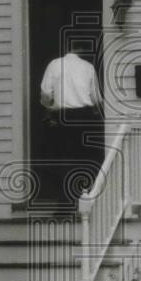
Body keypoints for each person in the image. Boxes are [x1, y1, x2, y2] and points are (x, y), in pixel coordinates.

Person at [39, 46, 102, 203]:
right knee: (84, 158)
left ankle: (65, 203)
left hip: (63, 117)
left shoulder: (55, 64)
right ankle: (85, 199)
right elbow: (96, 98)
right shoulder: (88, 67)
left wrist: (49, 106)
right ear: (80, 49)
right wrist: (95, 112)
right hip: (84, 117)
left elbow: (46, 93)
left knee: (63, 159)